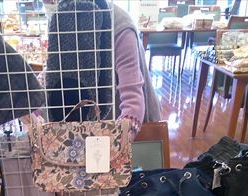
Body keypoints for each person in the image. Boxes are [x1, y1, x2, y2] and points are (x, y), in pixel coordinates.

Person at [43, 0, 160, 135]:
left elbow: (133, 102)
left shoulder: (119, 24)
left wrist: (117, 141)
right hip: (93, 121)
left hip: (134, 124)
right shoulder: (64, 15)